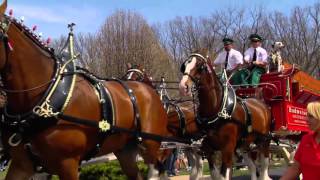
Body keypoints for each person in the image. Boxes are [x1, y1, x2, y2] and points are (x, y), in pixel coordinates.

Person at [280, 101, 320, 180]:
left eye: (311, 116)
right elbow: (296, 168)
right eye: (306, 116)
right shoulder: (306, 139)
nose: (306, 119)